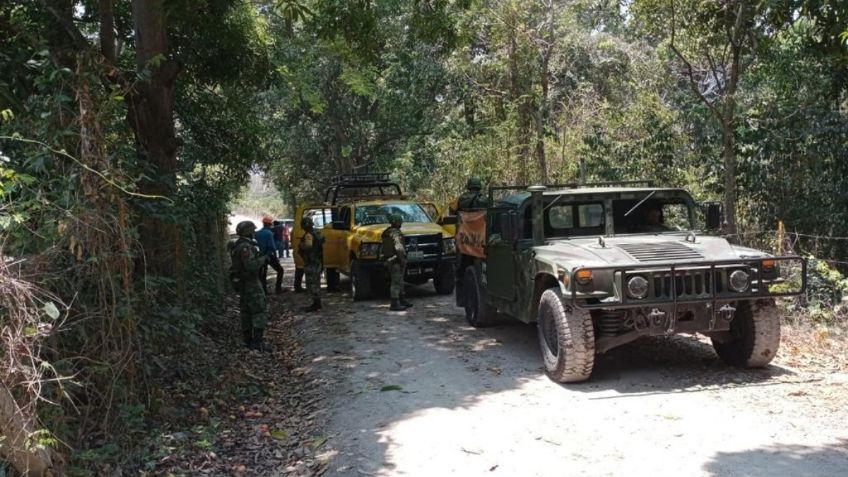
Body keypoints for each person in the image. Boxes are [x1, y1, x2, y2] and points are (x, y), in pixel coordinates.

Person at [230, 221, 270, 351]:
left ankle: (248, 341)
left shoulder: (238, 246)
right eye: (252, 231)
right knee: (259, 309)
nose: (254, 233)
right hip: (250, 282)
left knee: (246, 311)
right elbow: (250, 265)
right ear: (248, 232)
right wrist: (263, 259)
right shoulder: (245, 247)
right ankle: (257, 342)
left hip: (243, 283)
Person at [382, 214, 412, 311]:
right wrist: (402, 259)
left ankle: (402, 300)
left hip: (390, 259)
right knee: (396, 282)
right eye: (400, 221)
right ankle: (394, 303)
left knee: (399, 281)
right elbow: (399, 248)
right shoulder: (395, 234)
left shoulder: (387, 232)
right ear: (396, 222)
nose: (401, 223)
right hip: (395, 260)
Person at [298, 216, 323, 312]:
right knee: (315, 282)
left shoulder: (309, 235)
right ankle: (316, 303)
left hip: (312, 262)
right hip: (316, 261)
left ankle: (316, 304)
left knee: (312, 283)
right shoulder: (316, 233)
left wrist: (301, 245)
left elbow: (308, 246)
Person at [255, 216, 285, 294]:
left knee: (263, 273)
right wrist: (275, 256)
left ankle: (264, 291)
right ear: (270, 224)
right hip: (269, 255)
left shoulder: (257, 233)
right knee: (280, 270)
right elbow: (272, 247)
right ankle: (278, 289)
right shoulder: (269, 233)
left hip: (260, 256)